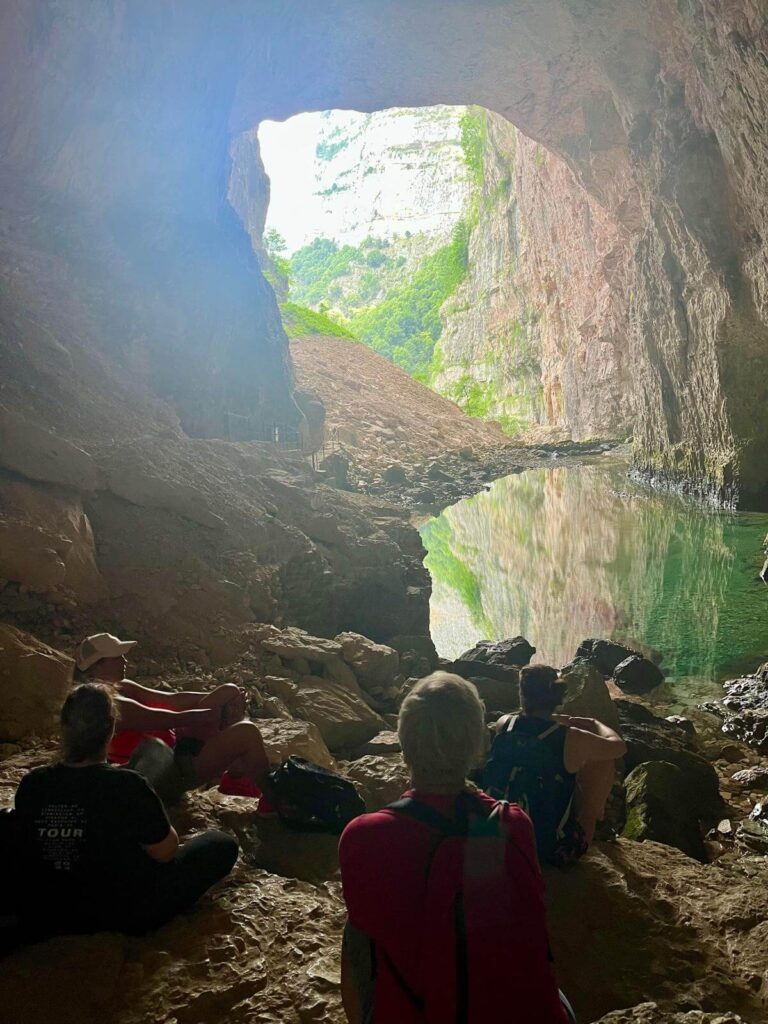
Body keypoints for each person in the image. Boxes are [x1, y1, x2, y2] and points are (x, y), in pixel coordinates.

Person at [339, 671, 573, 1024]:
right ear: (480, 745)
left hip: (419, 1009)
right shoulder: (510, 824)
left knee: (356, 931)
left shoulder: (364, 836)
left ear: (404, 743)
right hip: (510, 1010)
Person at [14, 684, 238, 939]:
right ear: (111, 729)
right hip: (124, 912)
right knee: (221, 844)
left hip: (51, 908)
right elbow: (166, 852)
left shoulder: (34, 783)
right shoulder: (127, 785)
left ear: (64, 727)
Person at [75, 632, 271, 804]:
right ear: (96, 667)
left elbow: (170, 700)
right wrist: (221, 713)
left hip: (176, 749)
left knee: (229, 691)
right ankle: (272, 800)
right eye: (117, 657)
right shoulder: (106, 705)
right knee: (247, 732)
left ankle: (236, 779)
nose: (125, 661)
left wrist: (222, 699)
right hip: (166, 773)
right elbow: (171, 719)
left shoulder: (123, 686)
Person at [484, 664, 626, 868]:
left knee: (566, 763)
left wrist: (556, 719)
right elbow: (618, 747)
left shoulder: (504, 724)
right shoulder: (569, 738)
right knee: (603, 760)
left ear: (523, 696)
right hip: (550, 851)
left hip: (497, 838)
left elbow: (529, 722)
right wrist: (594, 724)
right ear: (557, 696)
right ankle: (595, 822)